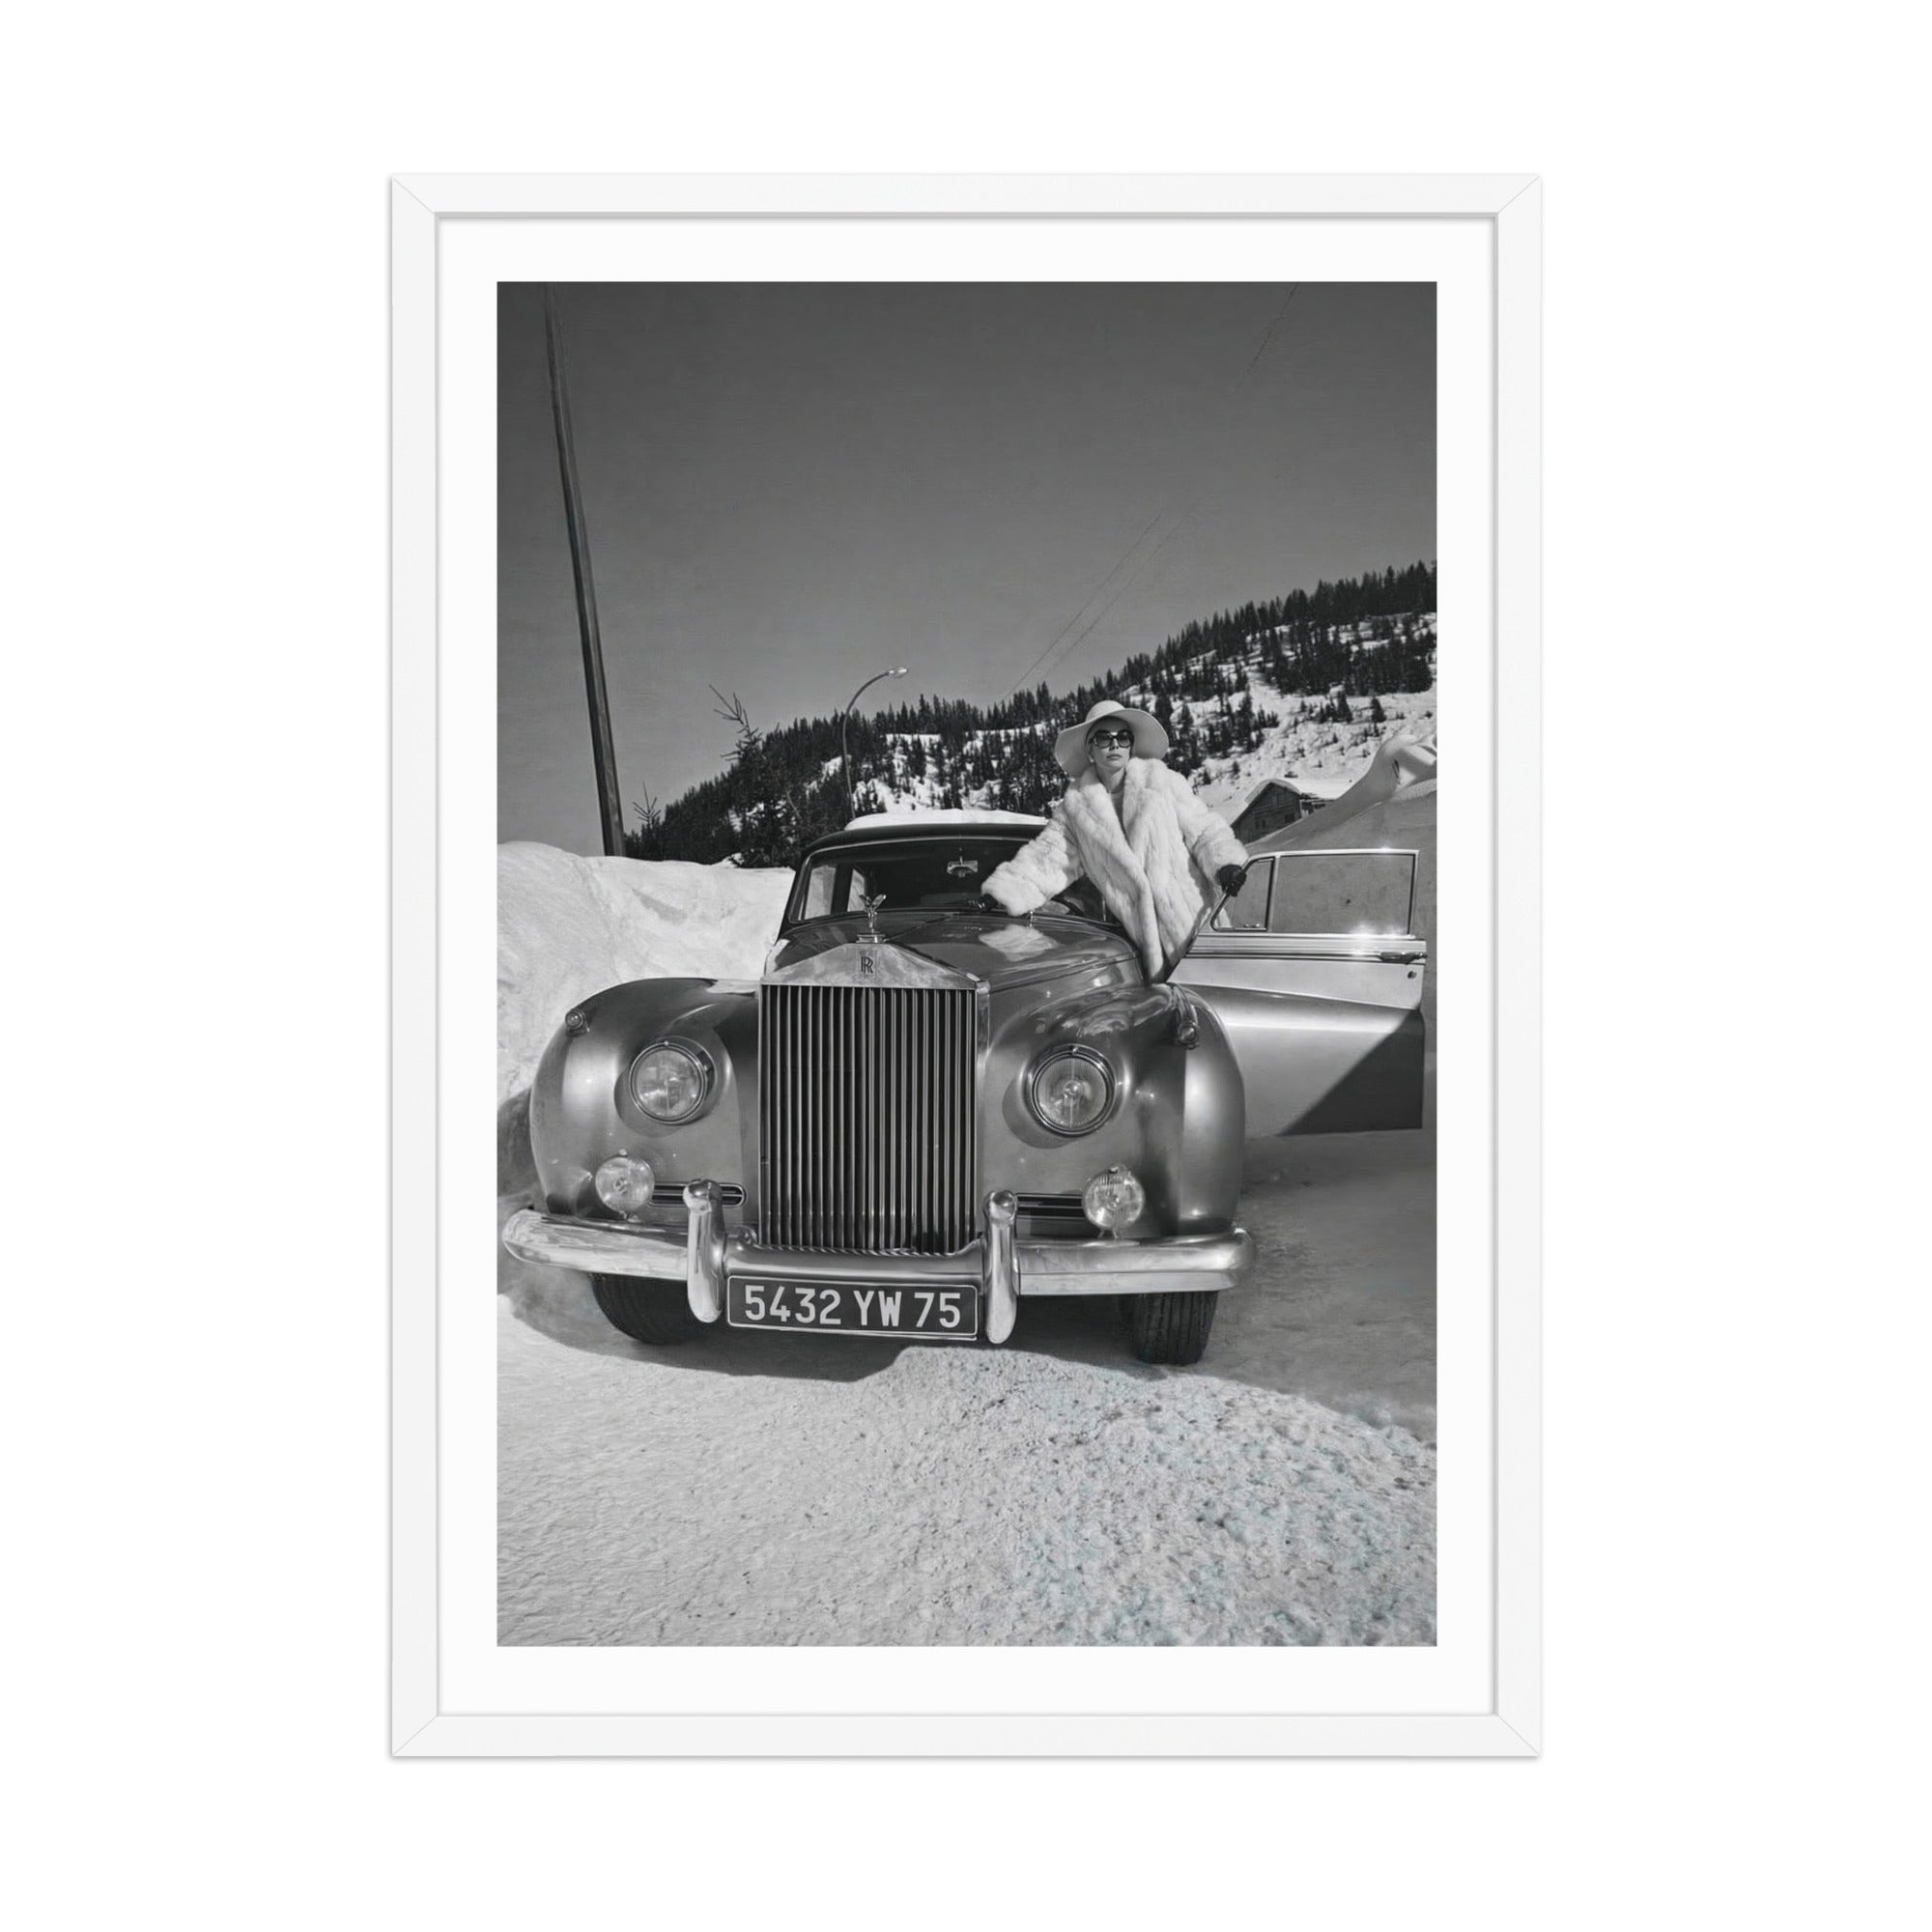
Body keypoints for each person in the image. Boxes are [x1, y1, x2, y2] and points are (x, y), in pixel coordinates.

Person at [978, 698, 1249, 977]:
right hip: (1143, 947)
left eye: (1122, 737)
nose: (1114, 744)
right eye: (1104, 738)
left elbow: (1204, 829)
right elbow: (1047, 859)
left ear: (1131, 745)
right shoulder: (1076, 809)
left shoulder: (1163, 782)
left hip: (1197, 928)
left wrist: (1225, 864)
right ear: (1090, 750)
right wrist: (1002, 895)